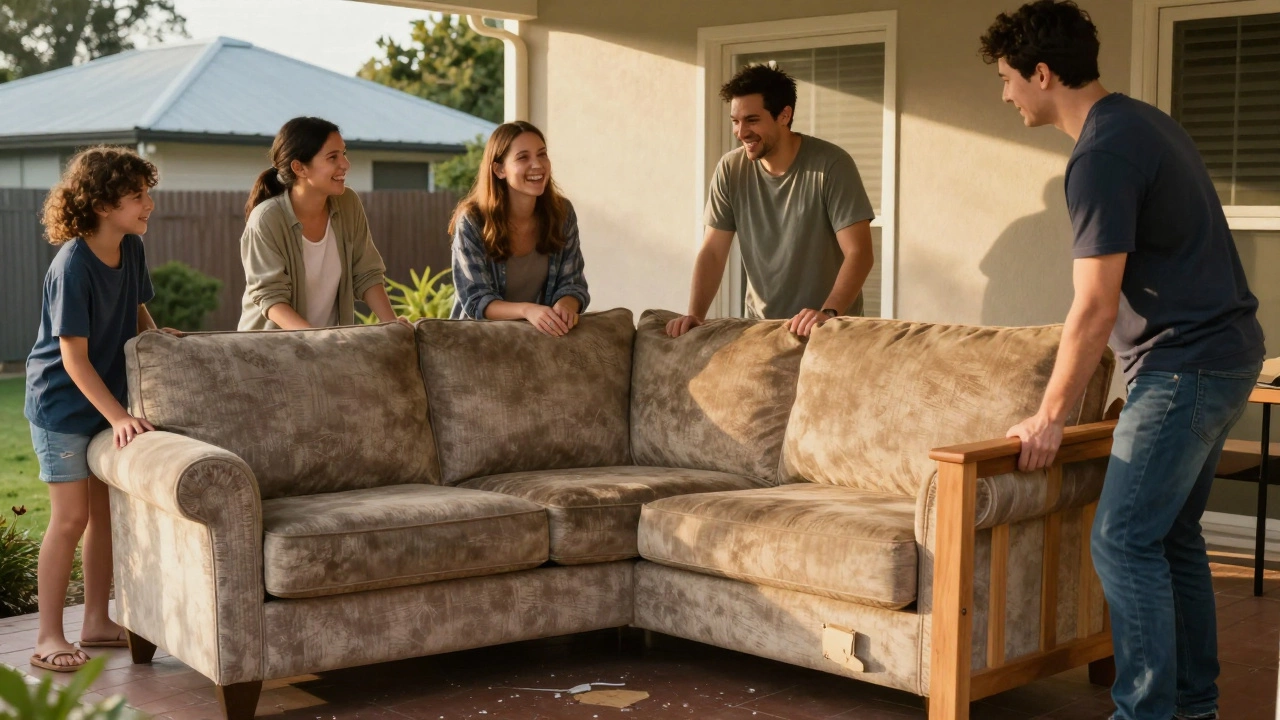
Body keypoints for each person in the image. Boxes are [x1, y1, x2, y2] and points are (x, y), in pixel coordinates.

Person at [983, 3, 1266, 719]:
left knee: (1121, 538)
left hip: (1185, 364)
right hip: (1225, 355)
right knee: (1170, 535)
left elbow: (1094, 306)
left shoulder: (1102, 155)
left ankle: (1147, 712)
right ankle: (1192, 705)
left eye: (1009, 78)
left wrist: (1050, 418)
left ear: (1041, 73)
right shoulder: (1140, 121)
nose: (1006, 94)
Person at [24, 146, 177, 672]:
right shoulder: (72, 265)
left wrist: (159, 343)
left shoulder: (129, 248)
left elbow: (136, 308)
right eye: (137, 196)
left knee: (104, 517)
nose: (149, 204)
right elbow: (72, 357)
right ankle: (47, 636)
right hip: (63, 406)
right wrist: (117, 416)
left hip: (105, 400)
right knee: (70, 518)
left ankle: (96, 621)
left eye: (147, 193)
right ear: (102, 203)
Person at [666, 63, 875, 338]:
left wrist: (828, 313)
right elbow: (714, 252)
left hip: (829, 331)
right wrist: (695, 314)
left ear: (784, 115)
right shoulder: (731, 170)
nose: (741, 132)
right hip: (762, 331)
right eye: (735, 121)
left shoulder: (832, 165)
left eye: (752, 120)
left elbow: (859, 253)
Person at [239, 116, 400, 330]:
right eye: (333, 157)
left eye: (344, 153)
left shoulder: (347, 203)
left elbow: (366, 272)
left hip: (325, 349)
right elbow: (271, 297)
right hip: (267, 355)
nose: (345, 164)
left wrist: (394, 326)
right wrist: (317, 341)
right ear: (299, 168)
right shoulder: (266, 219)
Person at [448, 120, 589, 336]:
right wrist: (528, 310)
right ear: (499, 169)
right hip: (475, 345)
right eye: (523, 157)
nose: (538, 165)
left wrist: (566, 306)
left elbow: (572, 284)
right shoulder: (472, 220)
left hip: (535, 343)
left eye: (542, 154)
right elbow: (476, 300)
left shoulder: (562, 214)